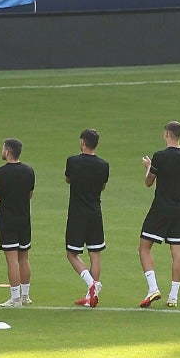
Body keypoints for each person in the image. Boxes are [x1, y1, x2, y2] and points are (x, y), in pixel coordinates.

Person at [138, 121, 180, 309]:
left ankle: (153, 288)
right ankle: (173, 297)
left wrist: (149, 166)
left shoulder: (159, 157)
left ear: (168, 134)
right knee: (177, 252)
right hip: (178, 208)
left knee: (144, 247)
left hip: (160, 207)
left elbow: (148, 182)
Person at [65, 128, 110, 307]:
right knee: (95, 253)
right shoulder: (103, 165)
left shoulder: (73, 161)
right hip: (95, 212)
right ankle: (91, 296)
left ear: (83, 142)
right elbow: (103, 186)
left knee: (72, 253)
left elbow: (68, 179)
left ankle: (91, 284)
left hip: (77, 214)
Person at [0, 138, 35, 307]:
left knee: (12, 259)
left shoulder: (0, 173)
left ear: (7, 152)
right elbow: (29, 194)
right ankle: (25, 296)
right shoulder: (29, 171)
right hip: (24, 218)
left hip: (7, 220)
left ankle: (15, 298)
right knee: (24, 257)